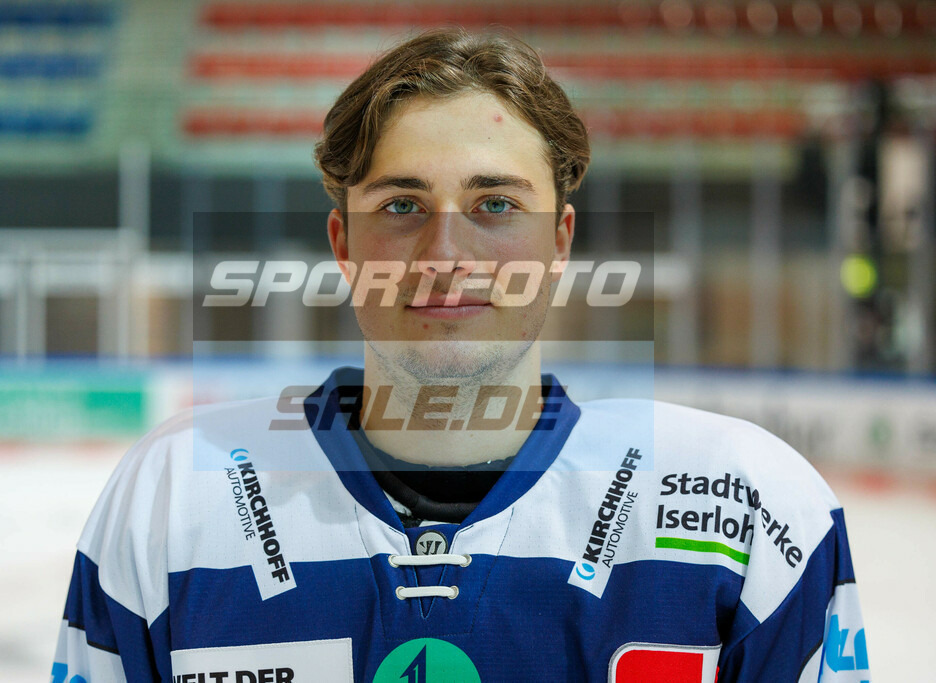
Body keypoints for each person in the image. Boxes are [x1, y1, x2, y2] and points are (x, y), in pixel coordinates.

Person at [53, 28, 869, 682]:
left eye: (495, 204)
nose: (447, 252)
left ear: (560, 242)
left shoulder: (749, 510)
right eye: (402, 203)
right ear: (343, 243)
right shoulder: (167, 504)